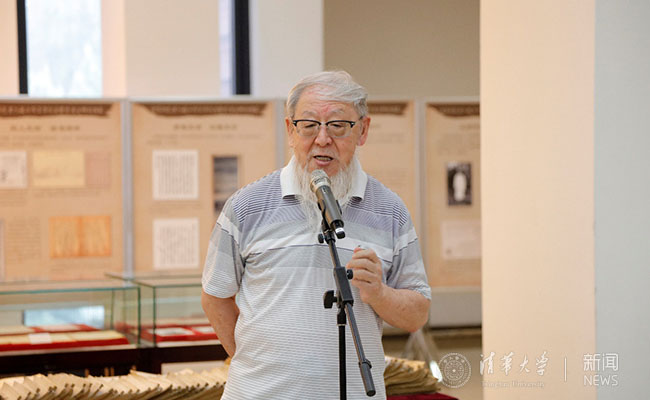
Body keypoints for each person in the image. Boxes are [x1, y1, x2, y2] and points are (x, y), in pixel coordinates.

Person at [201, 71, 431, 399]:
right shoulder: (247, 205)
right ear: (290, 130)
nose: (322, 139)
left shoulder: (390, 210)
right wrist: (257, 363)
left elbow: (417, 314)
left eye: (338, 125)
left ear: (363, 130)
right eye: (309, 125)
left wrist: (379, 293)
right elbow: (215, 297)